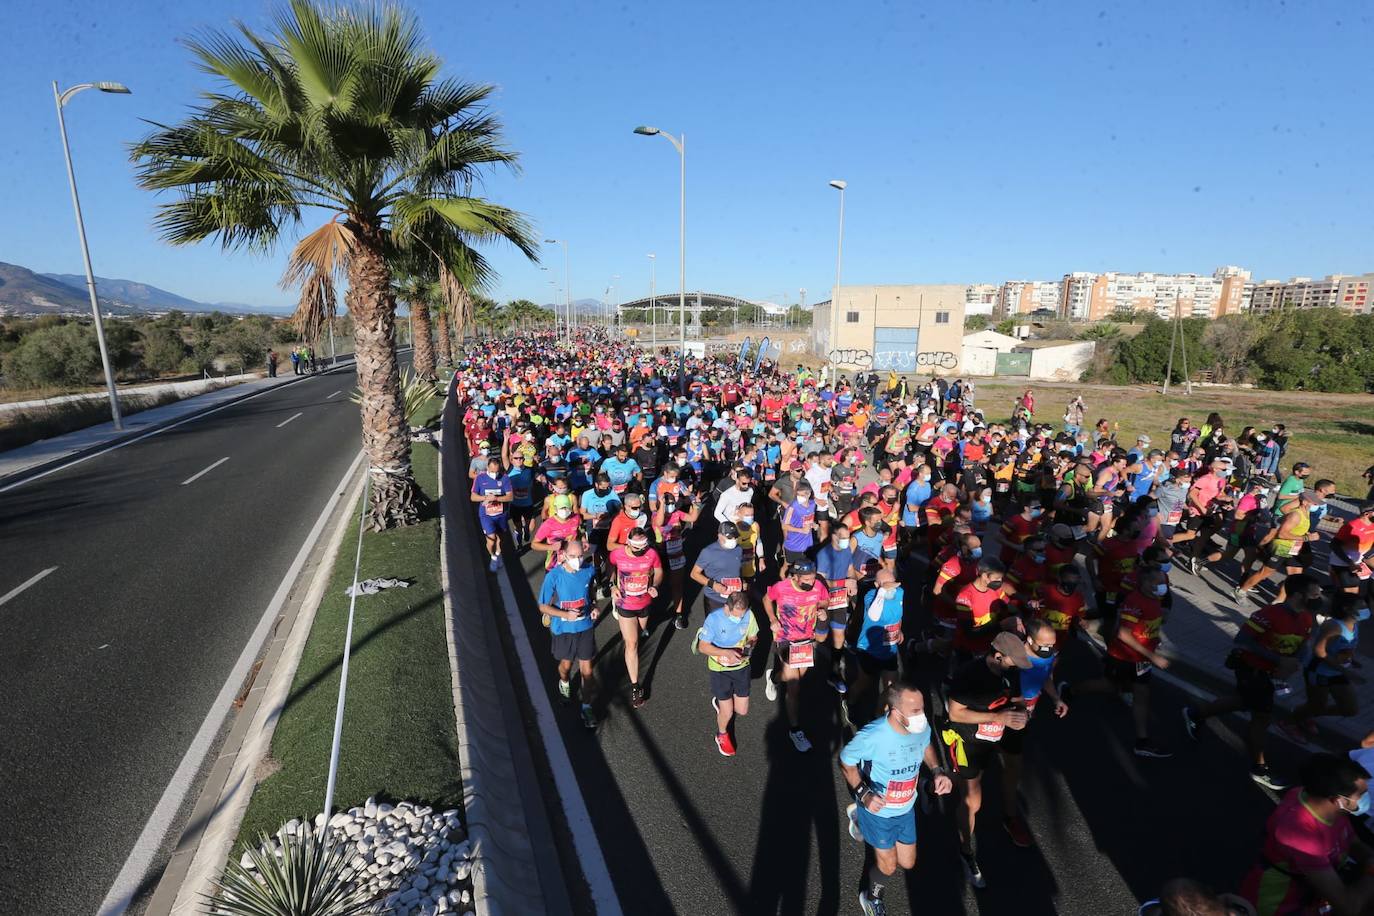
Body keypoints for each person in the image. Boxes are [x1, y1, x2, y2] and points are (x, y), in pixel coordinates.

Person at [1184, 573, 1322, 790]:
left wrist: (1296, 662)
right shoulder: (1268, 614)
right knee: (1261, 718)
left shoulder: (1306, 617)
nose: (1318, 598)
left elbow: (1304, 644)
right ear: (1297, 595)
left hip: (1273, 675)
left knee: (1244, 701)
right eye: (1314, 594)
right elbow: (1242, 641)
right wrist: (1278, 660)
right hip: (1252, 671)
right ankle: (1259, 768)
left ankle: (1196, 713)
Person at [839, 681, 954, 916]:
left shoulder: (920, 728)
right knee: (889, 866)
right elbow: (846, 761)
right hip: (879, 811)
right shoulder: (872, 736)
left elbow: (926, 745)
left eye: (922, 708)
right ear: (895, 712)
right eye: (915, 711)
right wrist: (864, 794)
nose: (922, 716)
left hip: (905, 808)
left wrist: (937, 771)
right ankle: (871, 898)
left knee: (908, 862)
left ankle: (858, 818)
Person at [942, 630, 1034, 887]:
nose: (1017, 667)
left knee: (1012, 765)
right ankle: (966, 851)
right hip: (968, 740)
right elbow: (956, 713)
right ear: (997, 656)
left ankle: (1009, 816)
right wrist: (997, 718)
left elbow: (1017, 698)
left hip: (997, 732)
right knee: (972, 800)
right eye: (1013, 661)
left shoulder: (1010, 671)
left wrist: (1021, 713)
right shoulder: (969, 675)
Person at [1238, 753, 1374, 915]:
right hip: (1277, 906)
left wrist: (1370, 859)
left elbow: (1353, 843)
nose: (1367, 798)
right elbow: (1349, 907)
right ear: (1337, 800)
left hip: (1309, 897)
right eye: (1362, 794)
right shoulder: (1302, 835)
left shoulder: (1322, 801)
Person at [1068, 564, 1174, 758]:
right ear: (1146, 583)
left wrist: (1154, 639)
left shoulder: (1155, 598)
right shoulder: (1134, 602)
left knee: (1141, 694)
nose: (1163, 586)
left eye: (1164, 582)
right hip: (1123, 657)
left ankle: (1142, 741)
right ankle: (1070, 691)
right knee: (1109, 686)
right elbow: (1123, 634)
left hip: (1141, 659)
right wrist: (1152, 656)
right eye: (1158, 582)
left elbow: (1148, 625)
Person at [763, 561, 829, 752]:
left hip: (806, 639)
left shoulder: (818, 586)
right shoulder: (782, 587)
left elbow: (825, 599)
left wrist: (822, 610)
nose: (811, 582)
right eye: (806, 579)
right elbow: (766, 599)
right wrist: (772, 619)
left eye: (812, 578)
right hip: (786, 638)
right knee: (794, 686)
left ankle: (774, 677)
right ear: (795, 577)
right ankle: (795, 730)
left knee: (799, 676)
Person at [537, 539, 599, 729]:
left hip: (585, 627)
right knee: (566, 666)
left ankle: (586, 707)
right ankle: (564, 682)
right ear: (563, 555)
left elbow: (592, 590)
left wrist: (594, 605)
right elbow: (543, 606)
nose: (577, 560)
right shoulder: (554, 576)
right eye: (573, 556)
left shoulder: (588, 570)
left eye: (580, 556)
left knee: (588, 671)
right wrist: (565, 615)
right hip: (564, 630)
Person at [696, 591, 758, 757]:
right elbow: (703, 647)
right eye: (736, 615)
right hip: (720, 669)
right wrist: (725, 653)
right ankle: (722, 734)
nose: (739, 619)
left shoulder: (749, 615)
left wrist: (749, 646)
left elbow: (753, 636)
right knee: (728, 712)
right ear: (726, 607)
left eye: (742, 615)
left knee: (742, 710)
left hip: (741, 666)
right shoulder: (714, 619)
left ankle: (721, 703)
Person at [608, 526, 663, 708]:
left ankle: (632, 650)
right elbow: (610, 565)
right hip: (625, 604)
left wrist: (655, 585)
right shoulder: (618, 554)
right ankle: (634, 686)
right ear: (628, 543)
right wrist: (612, 585)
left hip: (644, 604)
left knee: (639, 635)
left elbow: (659, 571)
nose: (640, 550)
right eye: (636, 546)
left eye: (643, 546)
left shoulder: (651, 554)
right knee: (631, 644)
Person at [850, 569, 906, 722]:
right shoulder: (870, 596)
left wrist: (899, 630)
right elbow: (874, 616)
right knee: (864, 683)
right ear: (876, 585)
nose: (890, 588)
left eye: (892, 584)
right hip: (869, 650)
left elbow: (899, 614)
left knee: (892, 688)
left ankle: (877, 716)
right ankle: (850, 702)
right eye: (885, 585)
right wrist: (882, 592)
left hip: (889, 650)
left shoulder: (899, 592)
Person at [689, 521, 745, 631]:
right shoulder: (708, 552)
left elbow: (738, 569)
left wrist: (743, 581)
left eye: (735, 537)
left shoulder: (738, 549)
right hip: (714, 600)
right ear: (720, 536)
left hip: (734, 599)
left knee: (732, 630)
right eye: (730, 537)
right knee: (715, 630)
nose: (733, 540)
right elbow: (694, 574)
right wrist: (713, 584)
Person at [471, 456, 512, 571]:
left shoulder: (505, 478)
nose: (495, 474)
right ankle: (493, 557)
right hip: (486, 515)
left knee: (501, 538)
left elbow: (510, 496)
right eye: (492, 471)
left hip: (501, 514)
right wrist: (486, 498)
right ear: (487, 468)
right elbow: (473, 497)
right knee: (491, 538)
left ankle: (498, 554)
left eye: (497, 471)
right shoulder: (480, 478)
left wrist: (497, 499)